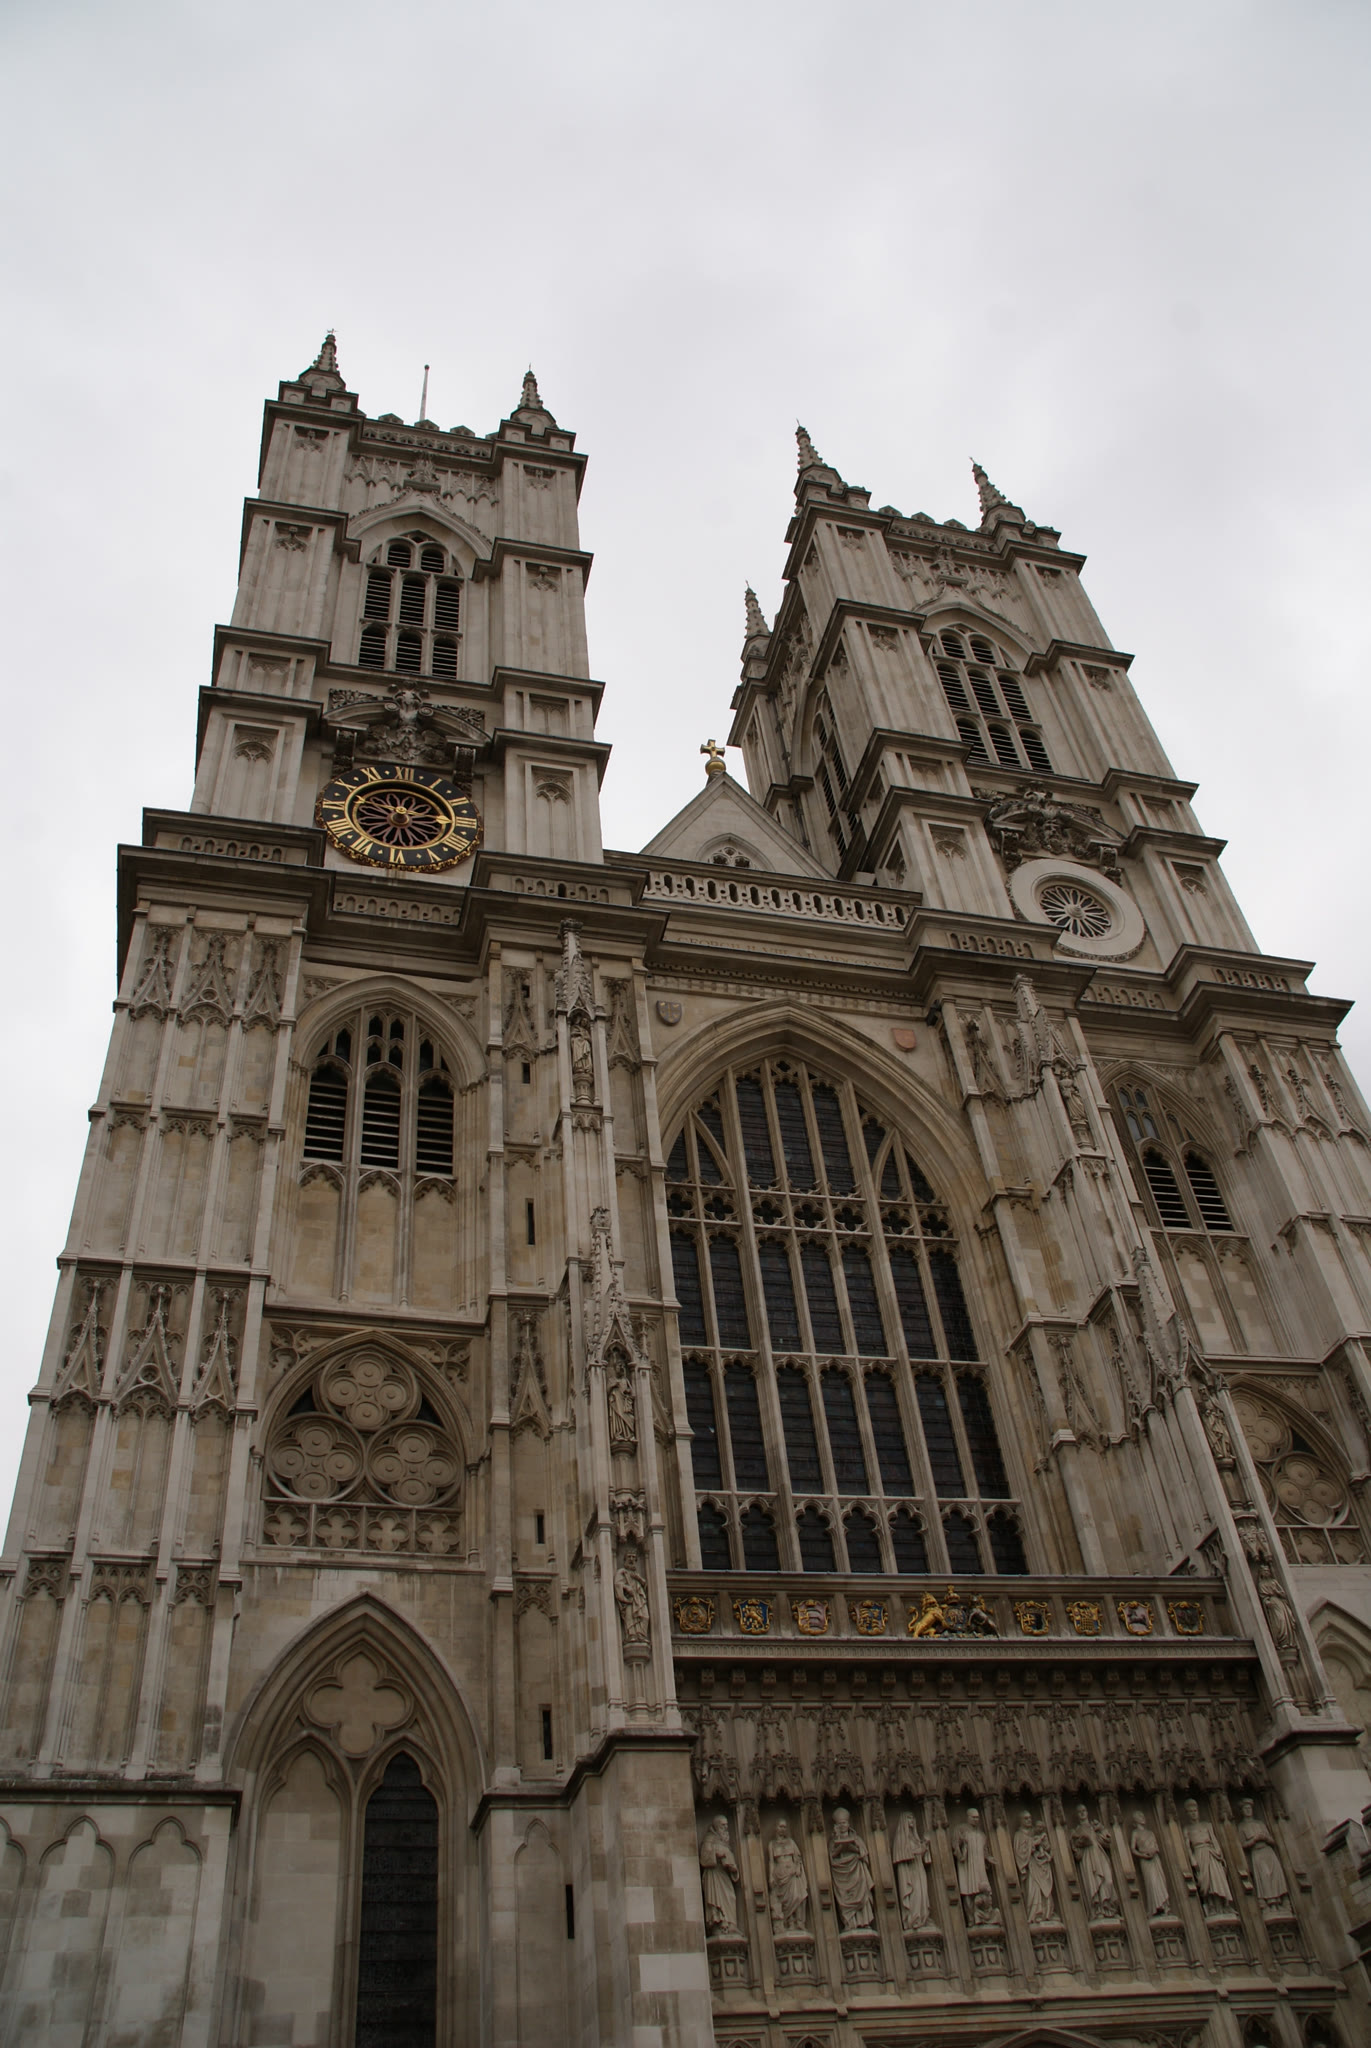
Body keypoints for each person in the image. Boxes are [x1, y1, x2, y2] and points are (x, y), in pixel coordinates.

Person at [1183, 1798, 1234, 1916]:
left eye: (1195, 1811)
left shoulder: (1207, 1825)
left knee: (1217, 1878)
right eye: (1191, 1812)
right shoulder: (1187, 1829)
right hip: (1199, 1853)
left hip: (1211, 1852)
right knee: (1205, 1881)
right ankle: (1211, 1905)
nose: (1194, 1813)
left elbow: (1214, 1839)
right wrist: (1192, 1859)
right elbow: (1187, 1847)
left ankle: (1224, 1905)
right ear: (1187, 1814)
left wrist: (1218, 1851)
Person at [1235, 1798, 1290, 1909]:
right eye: (1245, 1808)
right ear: (1242, 1811)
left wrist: (1265, 1838)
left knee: (1276, 1876)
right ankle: (1271, 1903)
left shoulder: (1260, 1823)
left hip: (1268, 1852)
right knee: (1264, 1877)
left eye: (1249, 1808)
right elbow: (1243, 1844)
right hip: (1257, 1854)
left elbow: (1272, 1841)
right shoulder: (1242, 1826)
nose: (1248, 1810)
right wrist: (1254, 1840)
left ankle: (1281, 1901)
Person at [828, 1808, 875, 1930]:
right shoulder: (833, 1841)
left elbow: (864, 1854)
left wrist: (852, 1848)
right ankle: (850, 1923)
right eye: (839, 1824)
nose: (842, 1826)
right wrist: (840, 1846)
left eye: (844, 1823)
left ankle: (864, 1922)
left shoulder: (857, 1839)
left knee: (861, 1894)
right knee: (845, 1897)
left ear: (848, 1824)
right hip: (841, 1873)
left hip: (857, 1871)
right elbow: (831, 1857)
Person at [1070, 1805, 1119, 1918]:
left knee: (1108, 1881)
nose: (1082, 1813)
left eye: (1084, 1810)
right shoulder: (1076, 1831)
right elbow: (1076, 1850)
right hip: (1087, 1858)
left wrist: (1101, 1829)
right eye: (1079, 1812)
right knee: (1093, 1883)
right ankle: (1098, 1910)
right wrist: (1080, 1843)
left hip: (1099, 1855)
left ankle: (1109, 1908)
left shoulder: (1094, 1827)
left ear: (1087, 1812)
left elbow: (1107, 1841)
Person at [952, 1807, 996, 1925]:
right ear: (968, 1817)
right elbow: (955, 1845)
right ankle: (971, 1919)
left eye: (977, 1818)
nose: (976, 1820)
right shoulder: (960, 1830)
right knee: (968, 1890)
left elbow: (984, 1850)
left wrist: (988, 1858)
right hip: (966, 1866)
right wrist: (961, 1851)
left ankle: (984, 1916)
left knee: (983, 1889)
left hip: (979, 1865)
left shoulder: (981, 1834)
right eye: (973, 1817)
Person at [891, 1809, 933, 1931]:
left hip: (919, 1869)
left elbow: (921, 1856)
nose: (912, 1820)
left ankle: (923, 1917)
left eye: (913, 1818)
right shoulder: (901, 1838)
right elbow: (904, 1855)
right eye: (909, 1818)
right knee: (916, 1892)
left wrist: (924, 1846)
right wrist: (921, 1849)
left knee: (922, 1893)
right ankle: (914, 1919)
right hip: (909, 1873)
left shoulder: (915, 1838)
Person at [1013, 1810, 1056, 1924]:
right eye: (1026, 1818)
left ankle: (1047, 1913)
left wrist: (1044, 1844)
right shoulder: (1019, 1835)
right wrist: (1032, 1844)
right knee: (1034, 1889)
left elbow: (1048, 1848)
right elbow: (1019, 1853)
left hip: (1042, 1865)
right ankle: (1036, 1913)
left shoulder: (1036, 1832)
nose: (1029, 1820)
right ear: (1021, 1821)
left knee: (1045, 1889)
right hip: (1031, 1867)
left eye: (1030, 1818)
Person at [699, 1816, 740, 1934]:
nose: (726, 1827)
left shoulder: (725, 1842)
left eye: (726, 1825)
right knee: (717, 1898)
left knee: (730, 1896)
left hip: (724, 1873)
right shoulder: (709, 1839)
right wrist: (716, 1855)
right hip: (714, 1874)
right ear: (716, 1826)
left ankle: (731, 1924)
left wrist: (733, 1869)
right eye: (723, 1825)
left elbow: (731, 1859)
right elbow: (704, 1858)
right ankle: (719, 1924)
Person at [767, 1820, 809, 1931]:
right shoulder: (772, 1844)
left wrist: (798, 1868)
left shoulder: (791, 1842)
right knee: (785, 1900)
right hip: (780, 1874)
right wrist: (770, 1876)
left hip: (792, 1872)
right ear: (776, 1828)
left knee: (798, 1896)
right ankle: (790, 1922)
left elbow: (798, 1857)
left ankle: (799, 1922)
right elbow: (771, 1862)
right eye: (781, 1826)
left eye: (785, 1827)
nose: (783, 1829)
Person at [1130, 1811, 1171, 1917]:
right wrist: (1143, 1855)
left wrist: (1154, 1851)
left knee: (1161, 1881)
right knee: (1152, 1882)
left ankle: (1164, 1906)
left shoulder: (1150, 1833)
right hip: (1145, 1860)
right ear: (1135, 1820)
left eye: (1143, 1815)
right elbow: (1133, 1849)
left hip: (1155, 1859)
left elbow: (1156, 1846)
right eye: (1139, 1816)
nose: (1142, 1817)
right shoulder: (1135, 1833)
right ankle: (1156, 1908)